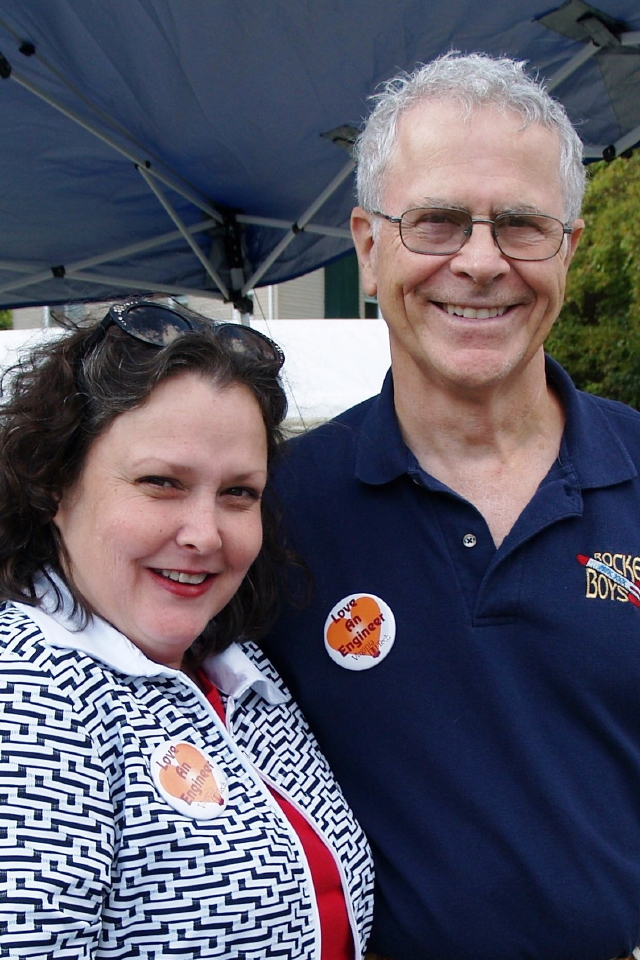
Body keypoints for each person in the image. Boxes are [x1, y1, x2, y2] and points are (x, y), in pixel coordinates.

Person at [263, 51, 640, 960]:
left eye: (520, 224)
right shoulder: (271, 514)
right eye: (435, 223)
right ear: (366, 245)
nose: (480, 262)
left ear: (570, 247)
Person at [0, 299, 374, 959]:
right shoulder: (29, 699)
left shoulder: (235, 667)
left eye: (238, 493)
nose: (205, 534)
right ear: (57, 483)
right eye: (161, 482)